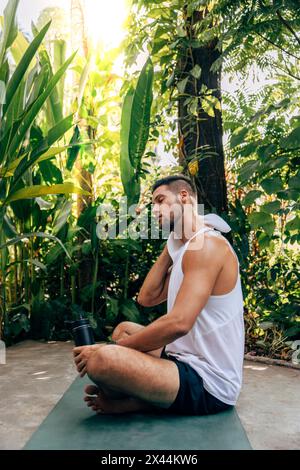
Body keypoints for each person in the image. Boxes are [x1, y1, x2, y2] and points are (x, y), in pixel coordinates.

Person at [73, 175, 245, 415]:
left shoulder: (207, 247)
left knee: (101, 361)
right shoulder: (187, 248)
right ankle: (148, 395)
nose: (155, 210)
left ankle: (141, 400)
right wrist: (174, 241)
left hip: (208, 381)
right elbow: (146, 298)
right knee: (123, 329)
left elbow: (179, 324)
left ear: (184, 197)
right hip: (182, 357)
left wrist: (111, 350)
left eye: (160, 200)